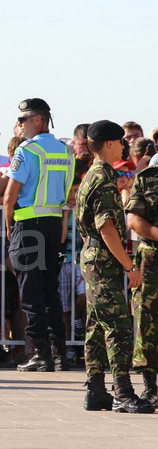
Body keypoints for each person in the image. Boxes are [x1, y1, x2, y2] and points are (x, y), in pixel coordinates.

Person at [76, 120, 152, 413]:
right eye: (119, 142)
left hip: (93, 257)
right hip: (104, 260)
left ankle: (96, 390)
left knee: (96, 327)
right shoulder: (105, 179)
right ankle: (123, 392)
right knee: (118, 327)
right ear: (109, 143)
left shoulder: (91, 175)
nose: (122, 146)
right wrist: (129, 266)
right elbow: (106, 227)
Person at [4, 98, 74, 373]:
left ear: (38, 120)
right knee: (49, 292)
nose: (19, 125)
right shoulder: (65, 151)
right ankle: (59, 355)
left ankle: (41, 355)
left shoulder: (28, 150)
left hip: (28, 226)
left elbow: (10, 196)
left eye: (23, 119)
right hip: (53, 225)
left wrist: (9, 227)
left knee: (31, 293)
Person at [125, 157, 158, 407]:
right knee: (148, 321)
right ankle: (151, 387)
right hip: (152, 259)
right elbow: (134, 221)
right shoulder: (148, 178)